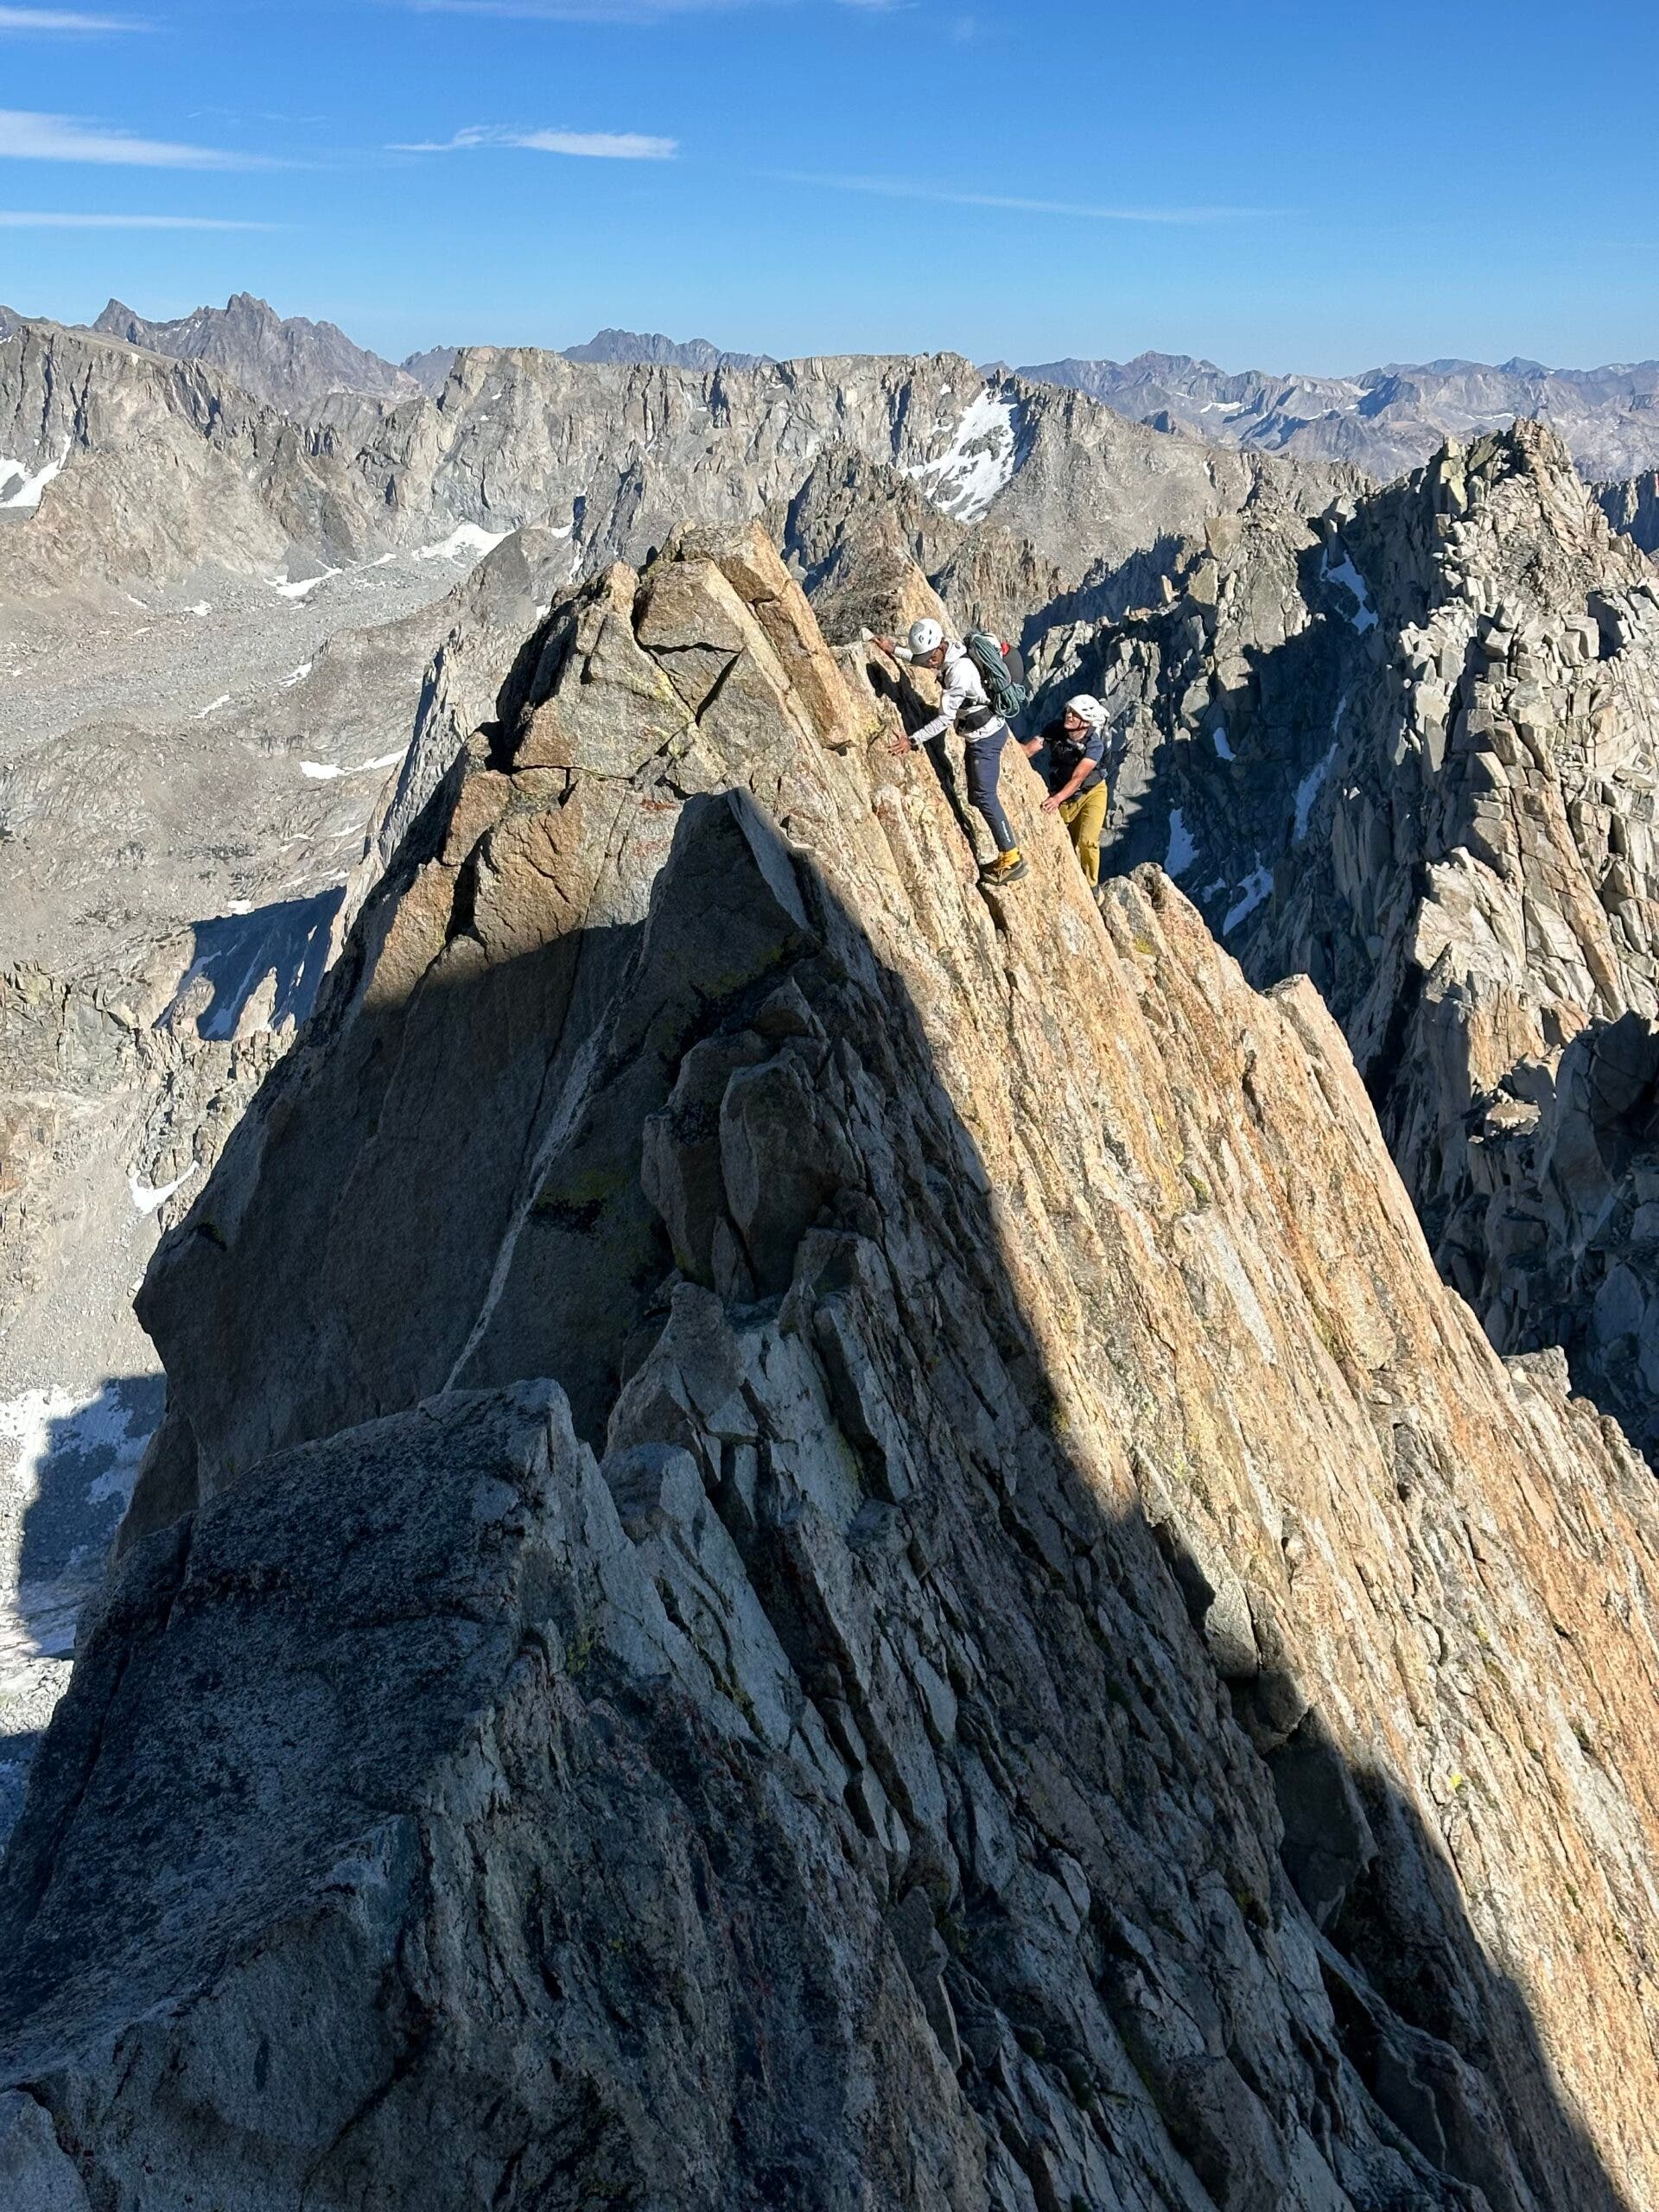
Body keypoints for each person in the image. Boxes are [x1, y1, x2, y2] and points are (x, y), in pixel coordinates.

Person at [878, 618, 1027, 886]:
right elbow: (920, 658)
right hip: (983, 736)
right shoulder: (953, 651)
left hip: (986, 739)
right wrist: (894, 650)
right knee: (977, 796)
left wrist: (913, 740)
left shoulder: (958, 672)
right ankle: (1009, 854)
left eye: (931, 657)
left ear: (939, 648)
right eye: (926, 658)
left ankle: (1012, 857)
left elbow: (945, 719)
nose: (929, 663)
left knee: (984, 796)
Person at [1021, 694, 1111, 888]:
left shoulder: (1094, 745)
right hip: (1065, 793)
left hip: (1092, 792)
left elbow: (1079, 778)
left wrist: (1056, 799)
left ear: (1085, 722)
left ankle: (1091, 886)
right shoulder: (1055, 729)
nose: (1069, 716)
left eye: (1075, 714)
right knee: (1064, 842)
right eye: (1069, 711)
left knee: (1087, 841)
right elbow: (1029, 750)